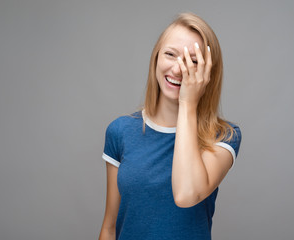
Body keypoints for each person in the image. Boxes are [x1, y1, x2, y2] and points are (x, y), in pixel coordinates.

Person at [99, 12, 242, 240]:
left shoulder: (223, 136)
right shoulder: (120, 131)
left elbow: (186, 194)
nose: (177, 69)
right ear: (156, 57)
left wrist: (187, 103)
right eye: (170, 54)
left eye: (192, 62)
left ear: (208, 74)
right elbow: (109, 227)